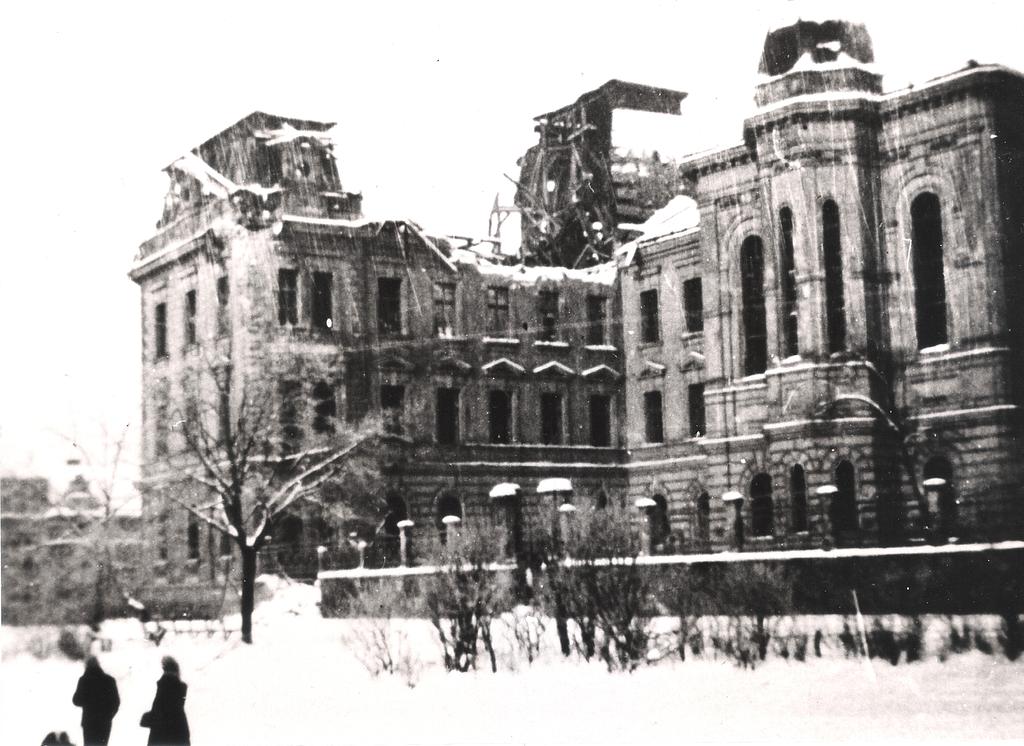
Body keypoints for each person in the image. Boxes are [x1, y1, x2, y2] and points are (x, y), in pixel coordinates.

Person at [140, 656, 191, 746]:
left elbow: (162, 713)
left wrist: (148, 718)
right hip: (178, 735)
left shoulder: (165, 687)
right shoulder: (177, 689)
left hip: (161, 737)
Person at [71, 656, 120, 746]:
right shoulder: (109, 680)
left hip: (89, 722)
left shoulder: (84, 680)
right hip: (104, 722)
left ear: (86, 666)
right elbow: (116, 703)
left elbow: (76, 701)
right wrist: (109, 716)